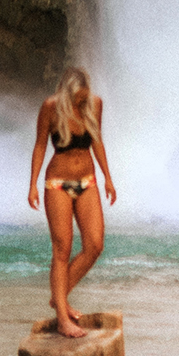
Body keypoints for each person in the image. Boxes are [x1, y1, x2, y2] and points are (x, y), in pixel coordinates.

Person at [28, 65, 117, 339]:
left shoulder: (95, 104)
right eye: (77, 98)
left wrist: (108, 178)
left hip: (87, 181)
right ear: (67, 93)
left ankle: (59, 297)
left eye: (84, 97)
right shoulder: (51, 107)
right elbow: (40, 144)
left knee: (94, 245)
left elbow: (97, 141)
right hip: (58, 184)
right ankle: (63, 319)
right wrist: (32, 184)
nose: (81, 102)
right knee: (61, 249)